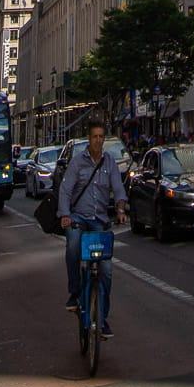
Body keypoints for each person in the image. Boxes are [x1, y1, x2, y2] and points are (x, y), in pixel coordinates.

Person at [58, 119, 127, 338]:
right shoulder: (77, 162)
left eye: (101, 137)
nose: (98, 140)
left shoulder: (109, 163)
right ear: (89, 139)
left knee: (106, 271)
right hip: (78, 218)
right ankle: (75, 293)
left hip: (99, 221)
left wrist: (120, 208)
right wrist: (65, 215)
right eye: (94, 136)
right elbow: (66, 190)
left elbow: (118, 189)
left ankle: (103, 318)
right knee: (73, 246)